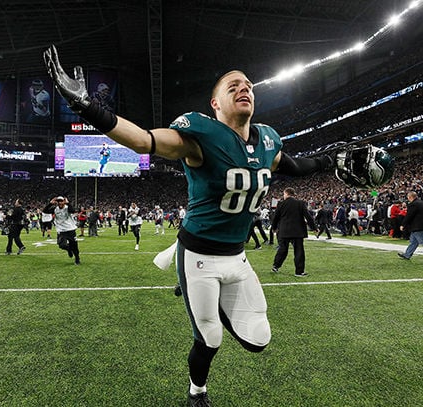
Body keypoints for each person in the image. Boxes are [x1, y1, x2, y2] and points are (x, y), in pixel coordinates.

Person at [45, 45, 345, 406]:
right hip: (199, 254)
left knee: (258, 339)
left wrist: (331, 160)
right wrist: (86, 106)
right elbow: (143, 140)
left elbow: (295, 166)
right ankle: (196, 392)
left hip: (238, 257)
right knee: (210, 340)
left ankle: (210, 302)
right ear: (214, 103)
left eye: (248, 84)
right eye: (232, 86)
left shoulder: (268, 139)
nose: (243, 87)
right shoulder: (200, 133)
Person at [271, 187, 317, 277]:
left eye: (284, 194)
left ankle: (276, 265)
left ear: (287, 193)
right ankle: (299, 272)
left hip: (284, 231)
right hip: (297, 231)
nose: (283, 196)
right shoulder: (300, 203)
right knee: (299, 251)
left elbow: (275, 217)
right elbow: (308, 216)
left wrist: (274, 228)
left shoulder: (281, 204)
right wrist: (314, 228)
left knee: (283, 249)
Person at [43, 196, 80, 265]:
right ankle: (69, 249)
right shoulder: (55, 209)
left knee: (74, 245)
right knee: (61, 245)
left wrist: (68, 203)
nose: (60, 203)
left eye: (61, 201)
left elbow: (73, 211)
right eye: (58, 201)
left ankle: (77, 258)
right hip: (61, 230)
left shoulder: (67, 208)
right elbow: (45, 211)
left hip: (70, 229)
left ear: (64, 201)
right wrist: (50, 204)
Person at [397, 191, 423, 260]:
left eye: (408, 197)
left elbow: (409, 215)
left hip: (417, 226)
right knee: (413, 242)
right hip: (419, 226)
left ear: (410, 197)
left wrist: (403, 224)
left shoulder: (413, 204)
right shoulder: (421, 202)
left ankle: (407, 255)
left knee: (421, 241)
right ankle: (407, 255)